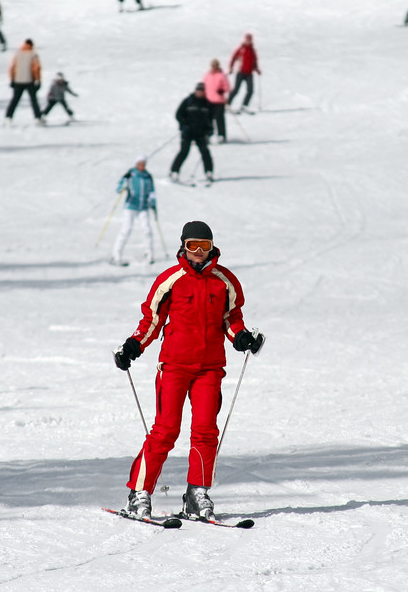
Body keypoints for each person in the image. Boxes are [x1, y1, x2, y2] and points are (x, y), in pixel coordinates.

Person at [112, 220, 265, 521]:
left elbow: (231, 318)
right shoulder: (171, 280)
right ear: (182, 246)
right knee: (165, 430)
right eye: (192, 245)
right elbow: (152, 321)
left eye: (204, 246)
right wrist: (133, 346)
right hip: (174, 366)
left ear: (212, 247)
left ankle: (197, 493)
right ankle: (139, 493)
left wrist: (241, 337)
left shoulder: (224, 281)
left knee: (205, 431)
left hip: (209, 368)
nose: (198, 252)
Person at [110, 156, 157, 266]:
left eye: (143, 164)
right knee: (126, 229)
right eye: (140, 164)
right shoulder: (130, 175)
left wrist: (153, 201)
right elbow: (118, 188)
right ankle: (116, 255)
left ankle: (149, 254)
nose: (142, 166)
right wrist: (123, 186)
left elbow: (152, 191)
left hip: (143, 207)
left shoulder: (147, 176)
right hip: (131, 206)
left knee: (147, 229)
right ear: (136, 164)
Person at [170, 83, 216, 184]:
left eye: (202, 91)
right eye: (198, 91)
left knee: (205, 152)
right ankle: (174, 171)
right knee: (184, 151)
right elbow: (178, 114)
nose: (200, 93)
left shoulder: (207, 104)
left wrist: (210, 130)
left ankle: (209, 172)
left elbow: (211, 119)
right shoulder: (188, 101)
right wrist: (183, 124)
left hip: (201, 133)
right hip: (188, 131)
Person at [5, 39, 43, 125]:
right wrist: (38, 80)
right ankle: (37, 117)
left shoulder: (18, 53)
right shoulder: (33, 54)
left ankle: (8, 117)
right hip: (29, 81)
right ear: (32, 45)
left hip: (18, 81)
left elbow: (12, 67)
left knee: (15, 100)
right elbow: (36, 68)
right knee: (33, 100)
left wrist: (12, 79)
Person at [227, 33, 260, 112]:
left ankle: (244, 106)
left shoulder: (252, 50)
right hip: (241, 73)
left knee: (250, 90)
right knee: (236, 90)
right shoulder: (241, 49)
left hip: (249, 74)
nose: (248, 41)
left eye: (250, 39)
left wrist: (256, 69)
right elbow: (234, 58)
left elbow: (254, 61)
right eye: (247, 39)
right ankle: (227, 104)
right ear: (245, 40)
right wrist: (231, 68)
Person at [202, 59, 230, 143]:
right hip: (208, 101)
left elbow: (227, 87)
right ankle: (208, 135)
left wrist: (222, 90)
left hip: (219, 101)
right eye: (213, 66)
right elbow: (203, 86)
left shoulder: (222, 75)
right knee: (208, 119)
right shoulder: (207, 75)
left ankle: (222, 135)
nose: (214, 67)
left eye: (216, 66)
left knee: (219, 118)